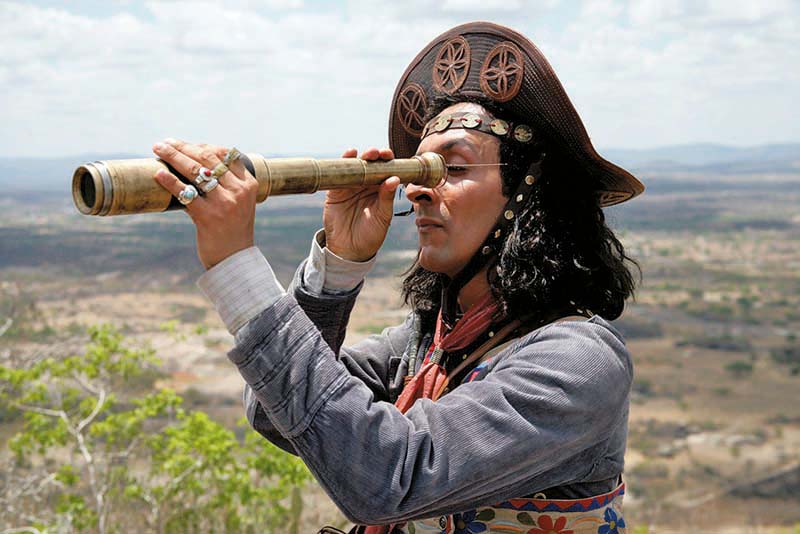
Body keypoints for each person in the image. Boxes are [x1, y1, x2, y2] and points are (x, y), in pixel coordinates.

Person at [151, 21, 643, 534]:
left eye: (452, 170)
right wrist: (337, 268)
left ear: (529, 193)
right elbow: (278, 415)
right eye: (419, 173)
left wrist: (239, 270)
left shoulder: (578, 361)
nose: (418, 191)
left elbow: (394, 477)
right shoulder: (425, 346)